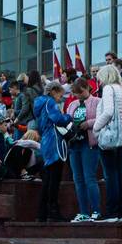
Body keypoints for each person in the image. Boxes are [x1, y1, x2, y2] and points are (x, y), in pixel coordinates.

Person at [94, 65, 122, 222]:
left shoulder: (109, 88)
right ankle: (120, 213)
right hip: (121, 135)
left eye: (100, 78)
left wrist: (96, 127)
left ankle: (111, 212)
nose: (99, 81)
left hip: (109, 136)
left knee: (110, 175)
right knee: (119, 174)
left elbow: (108, 111)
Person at [34, 81, 72, 222]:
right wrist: (68, 117)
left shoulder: (40, 103)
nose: (59, 99)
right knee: (54, 179)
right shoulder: (50, 102)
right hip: (54, 141)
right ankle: (53, 211)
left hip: (46, 141)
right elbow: (57, 119)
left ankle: (42, 213)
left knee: (48, 179)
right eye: (59, 95)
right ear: (54, 91)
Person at [66, 78, 101, 223]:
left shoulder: (97, 102)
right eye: (75, 93)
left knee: (89, 178)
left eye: (80, 92)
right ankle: (84, 212)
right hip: (75, 144)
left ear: (87, 88)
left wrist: (89, 124)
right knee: (78, 179)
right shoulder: (72, 104)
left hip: (90, 143)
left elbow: (102, 118)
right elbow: (66, 120)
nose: (78, 96)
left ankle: (96, 210)